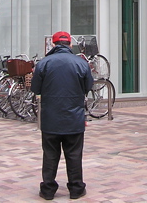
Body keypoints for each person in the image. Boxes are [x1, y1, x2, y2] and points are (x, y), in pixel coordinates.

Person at [31, 31, 94, 200]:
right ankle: (76, 188)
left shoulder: (44, 63)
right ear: (70, 45)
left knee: (50, 155)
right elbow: (88, 86)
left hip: (50, 118)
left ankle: (48, 190)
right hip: (74, 117)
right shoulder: (81, 63)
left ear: (53, 44)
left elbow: (35, 88)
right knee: (74, 154)